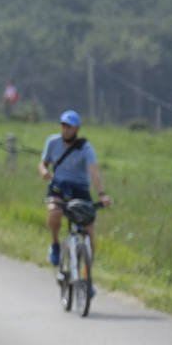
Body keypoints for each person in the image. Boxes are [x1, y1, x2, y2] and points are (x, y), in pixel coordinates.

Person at [39, 110, 112, 273]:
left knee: (89, 231)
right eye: (63, 126)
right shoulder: (52, 142)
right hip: (58, 186)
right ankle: (55, 244)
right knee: (54, 211)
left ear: (76, 128)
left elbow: (94, 171)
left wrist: (101, 194)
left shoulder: (85, 148)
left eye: (69, 127)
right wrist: (44, 171)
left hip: (80, 188)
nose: (65, 130)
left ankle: (87, 276)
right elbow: (43, 163)